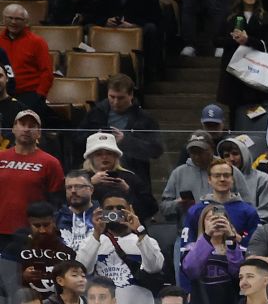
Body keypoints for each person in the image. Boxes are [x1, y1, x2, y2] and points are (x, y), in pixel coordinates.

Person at [73, 189, 163, 304]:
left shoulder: (144, 239)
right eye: (109, 209)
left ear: (130, 210)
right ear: (101, 212)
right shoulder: (93, 240)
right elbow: (81, 269)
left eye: (120, 208)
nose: (115, 212)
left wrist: (139, 230)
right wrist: (96, 233)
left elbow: (155, 267)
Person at [82, 78, 162, 208]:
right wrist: (96, 137)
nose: (115, 102)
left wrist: (125, 141)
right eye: (112, 97)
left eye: (121, 98)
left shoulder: (145, 119)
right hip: (95, 174)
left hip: (133, 174)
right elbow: (77, 137)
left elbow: (156, 150)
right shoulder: (97, 112)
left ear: (131, 95)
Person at [0, 110, 63, 237]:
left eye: (32, 126)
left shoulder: (51, 163)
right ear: (13, 128)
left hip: (34, 232)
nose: (26, 129)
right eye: (22, 124)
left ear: (39, 133)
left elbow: (56, 202)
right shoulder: (1, 157)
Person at [181, 203, 244, 304]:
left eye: (221, 219)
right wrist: (207, 236)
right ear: (203, 223)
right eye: (211, 219)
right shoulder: (191, 248)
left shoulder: (237, 248)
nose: (216, 223)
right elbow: (191, 270)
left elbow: (237, 272)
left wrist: (231, 238)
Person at [6, 201, 72, 303]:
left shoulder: (68, 251)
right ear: (29, 223)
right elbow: (3, 284)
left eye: (46, 225)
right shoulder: (15, 249)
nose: (42, 230)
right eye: (37, 226)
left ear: (54, 222)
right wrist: (22, 277)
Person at [0, 6, 54, 111]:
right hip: (2, 94)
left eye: (18, 19)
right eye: (10, 18)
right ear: (3, 19)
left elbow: (47, 72)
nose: (13, 22)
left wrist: (40, 95)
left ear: (26, 22)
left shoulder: (37, 42)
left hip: (29, 95)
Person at [159, 132, 218, 223]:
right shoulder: (179, 173)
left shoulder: (227, 170)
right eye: (193, 152)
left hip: (220, 228)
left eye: (201, 152)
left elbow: (245, 202)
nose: (197, 156)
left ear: (212, 149)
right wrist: (177, 204)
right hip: (187, 231)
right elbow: (164, 207)